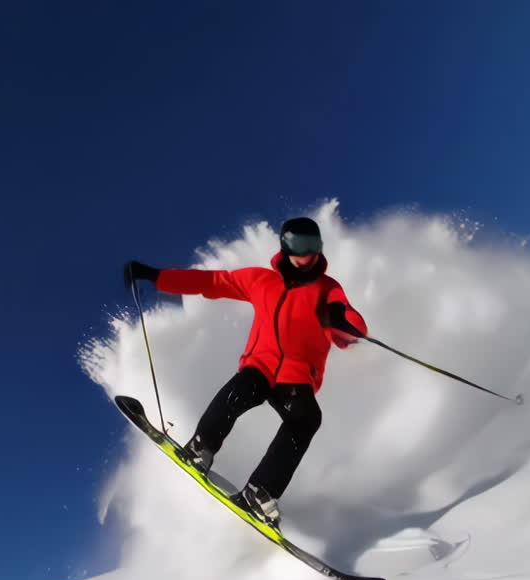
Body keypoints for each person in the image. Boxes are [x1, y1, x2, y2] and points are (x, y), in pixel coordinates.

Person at [124, 217, 367, 527]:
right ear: (284, 245)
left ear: (319, 248)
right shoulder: (261, 280)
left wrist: (343, 318)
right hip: (260, 366)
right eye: (296, 244)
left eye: (311, 245)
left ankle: (260, 491)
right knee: (240, 390)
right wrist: (156, 276)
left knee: (306, 419)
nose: (304, 253)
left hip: (295, 379)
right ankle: (202, 447)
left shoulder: (327, 290)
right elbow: (210, 282)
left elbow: (350, 334)